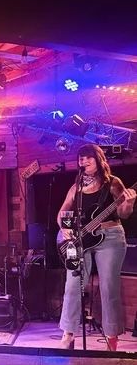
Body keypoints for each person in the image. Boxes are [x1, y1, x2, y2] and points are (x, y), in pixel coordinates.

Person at [57, 144, 136, 351]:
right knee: (72, 284)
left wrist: (129, 203)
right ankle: (68, 334)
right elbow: (63, 212)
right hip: (82, 239)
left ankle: (112, 338)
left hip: (110, 236)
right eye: (81, 158)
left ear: (98, 159)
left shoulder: (113, 182)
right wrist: (65, 229)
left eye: (88, 157)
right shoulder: (76, 187)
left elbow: (124, 213)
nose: (83, 161)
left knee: (109, 287)